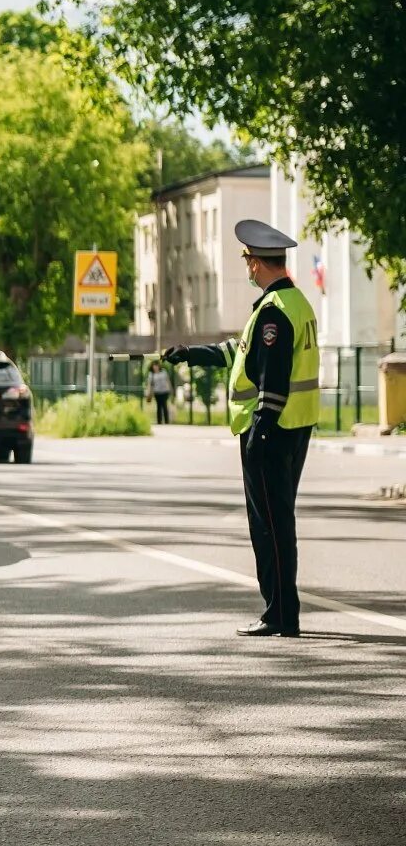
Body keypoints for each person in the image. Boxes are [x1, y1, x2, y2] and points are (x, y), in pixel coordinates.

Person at [163, 218, 319, 638]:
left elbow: (272, 379)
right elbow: (239, 352)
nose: (247, 268)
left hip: (271, 432)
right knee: (277, 520)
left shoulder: (274, 315)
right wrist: (192, 353)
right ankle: (281, 609)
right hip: (295, 428)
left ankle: (280, 614)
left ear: (256, 263)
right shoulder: (294, 304)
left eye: (248, 260)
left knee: (269, 524)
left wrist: (259, 430)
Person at [147, 359, 173, 425]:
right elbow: (150, 384)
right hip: (157, 392)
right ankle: (159, 421)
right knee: (159, 406)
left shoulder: (164, 372)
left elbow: (168, 380)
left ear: (159, 366)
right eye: (154, 366)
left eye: (156, 365)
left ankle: (167, 421)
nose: (155, 367)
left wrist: (171, 389)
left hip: (165, 391)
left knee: (164, 405)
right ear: (152, 366)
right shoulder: (151, 374)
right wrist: (149, 393)